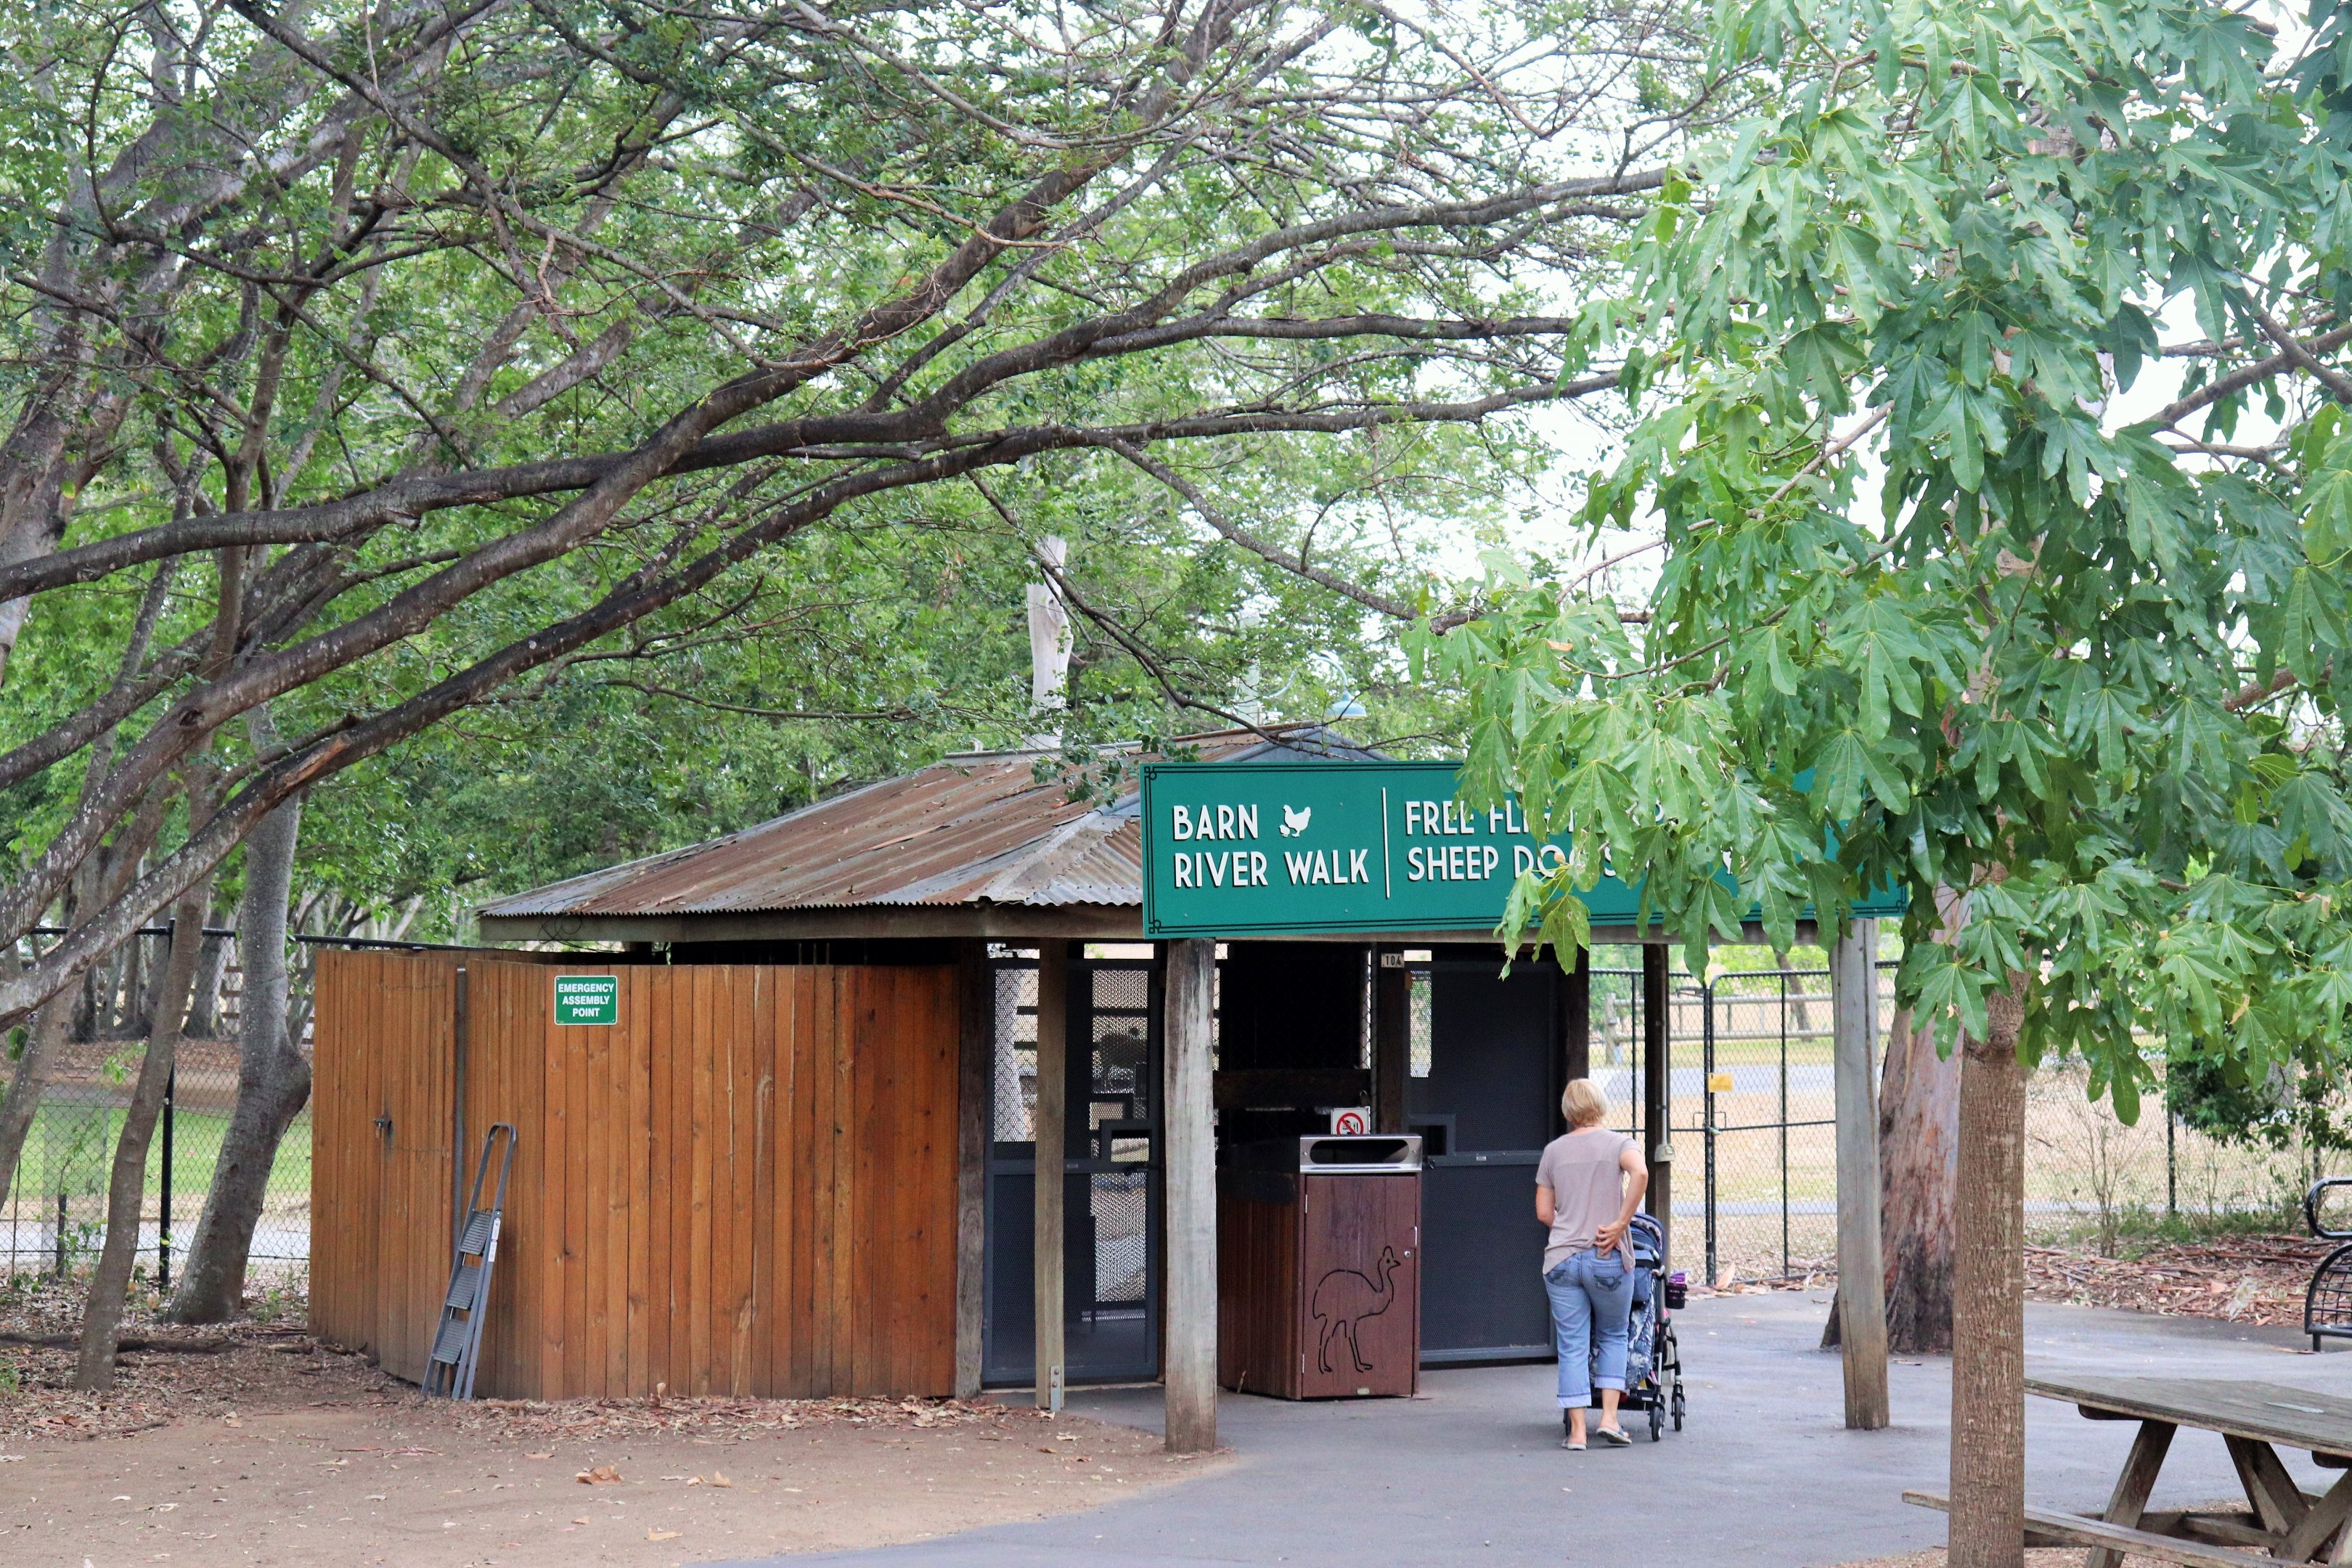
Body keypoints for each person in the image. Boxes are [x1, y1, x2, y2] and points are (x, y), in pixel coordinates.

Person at [1535, 1077, 1649, 1450]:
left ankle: (1578, 1433)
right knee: (1613, 1334)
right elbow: (1642, 1173)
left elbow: (1543, 1212)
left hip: (1562, 1260)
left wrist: (1570, 1226)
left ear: (1569, 1111)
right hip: (1607, 1256)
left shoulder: (1553, 1151)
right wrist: (1620, 1223)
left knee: (1572, 1345)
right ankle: (1611, 1419)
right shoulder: (1619, 1143)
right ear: (1600, 1104)